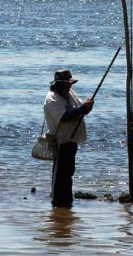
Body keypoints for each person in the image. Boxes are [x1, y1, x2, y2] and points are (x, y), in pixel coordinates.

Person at [44, 69, 94, 208]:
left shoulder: (70, 94)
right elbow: (65, 117)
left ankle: (66, 202)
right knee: (60, 174)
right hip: (60, 141)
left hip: (72, 140)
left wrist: (87, 106)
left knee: (69, 172)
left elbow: (78, 109)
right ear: (59, 84)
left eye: (70, 83)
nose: (70, 86)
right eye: (67, 83)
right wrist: (84, 109)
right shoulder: (51, 98)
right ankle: (57, 203)